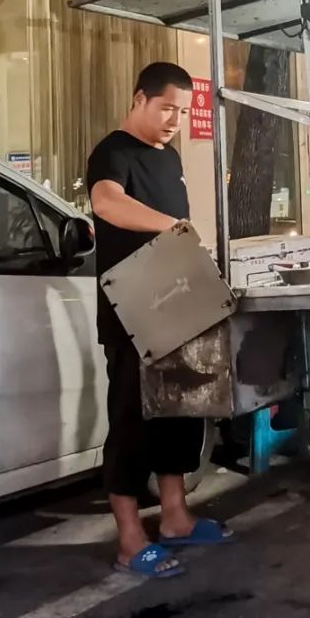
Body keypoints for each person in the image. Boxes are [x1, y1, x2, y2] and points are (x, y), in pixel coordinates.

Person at [87, 62, 233, 579]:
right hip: (131, 308)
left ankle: (175, 517)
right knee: (132, 420)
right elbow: (107, 203)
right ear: (139, 99)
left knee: (179, 410)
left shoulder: (169, 157)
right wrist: (174, 226)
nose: (174, 119)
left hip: (176, 302)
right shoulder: (113, 151)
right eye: (166, 107)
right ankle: (129, 539)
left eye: (182, 110)